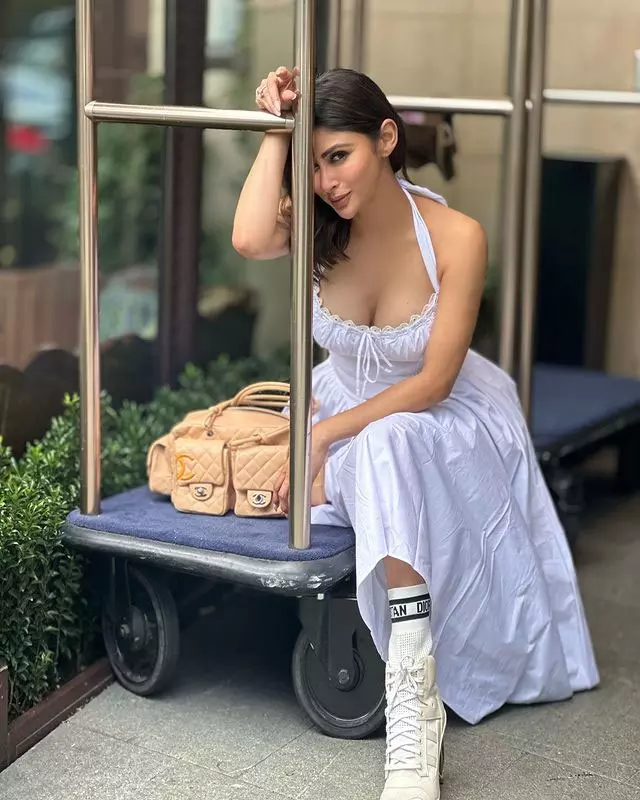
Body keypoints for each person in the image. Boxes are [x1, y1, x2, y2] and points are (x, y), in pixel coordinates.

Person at [232, 66, 599, 800]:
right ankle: (414, 686)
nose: (326, 182)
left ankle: (411, 699)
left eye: (339, 157)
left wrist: (324, 435)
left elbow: (432, 383)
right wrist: (278, 131)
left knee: (389, 442)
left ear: (386, 138)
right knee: (373, 451)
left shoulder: (458, 237)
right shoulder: (317, 225)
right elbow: (247, 238)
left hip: (439, 420)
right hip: (348, 416)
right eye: (312, 165)